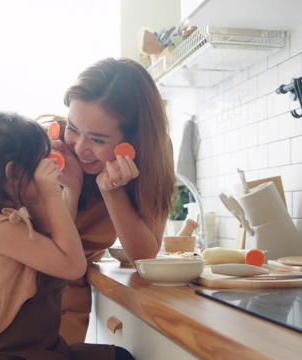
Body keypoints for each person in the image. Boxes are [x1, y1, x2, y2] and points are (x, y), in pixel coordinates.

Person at [0, 111, 134, 359]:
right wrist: (50, 194)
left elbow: (54, 239)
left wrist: (60, 191)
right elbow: (72, 264)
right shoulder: (0, 231)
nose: (48, 167)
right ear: (13, 173)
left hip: (35, 348)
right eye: (39, 162)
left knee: (119, 356)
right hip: (12, 355)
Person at [41, 57, 176, 343]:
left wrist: (110, 189)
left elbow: (144, 258)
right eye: (74, 129)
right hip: (9, 298)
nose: (80, 148)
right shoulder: (45, 147)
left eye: (98, 140)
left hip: (67, 307)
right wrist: (69, 191)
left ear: (134, 139)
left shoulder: (151, 167)